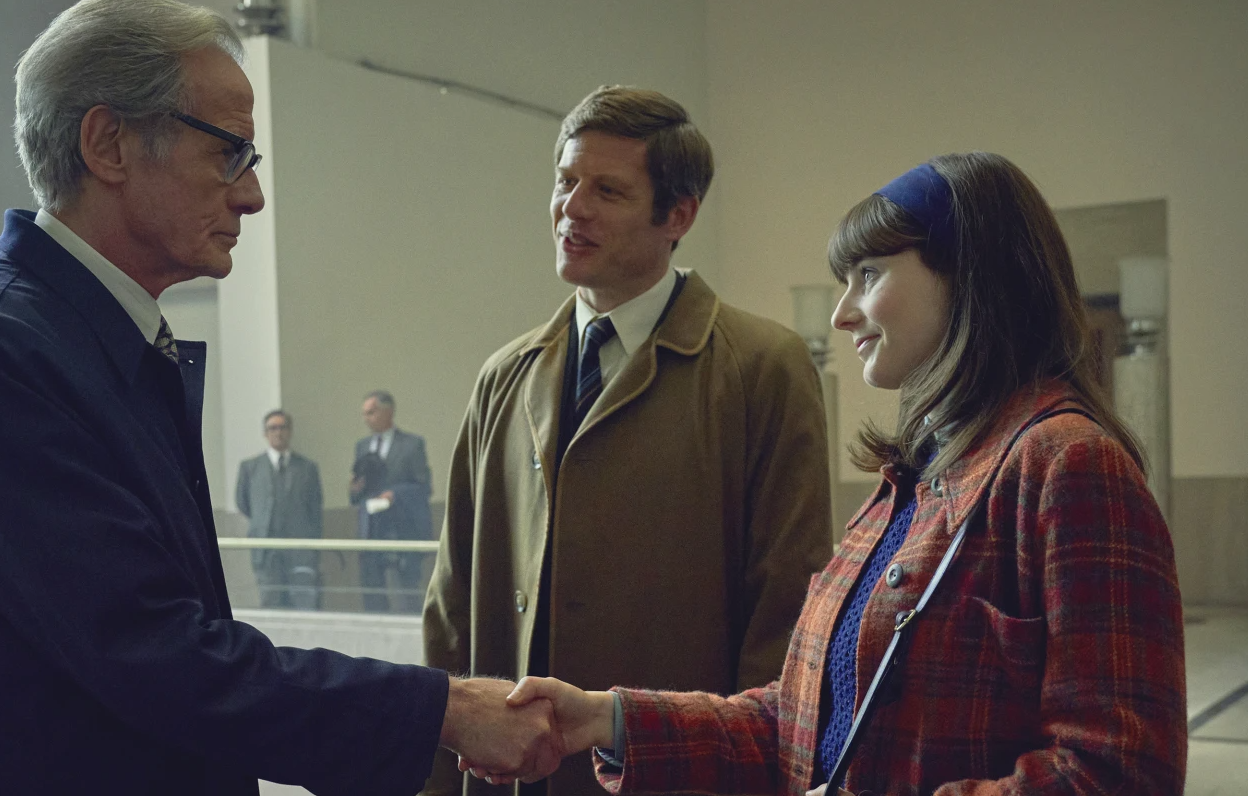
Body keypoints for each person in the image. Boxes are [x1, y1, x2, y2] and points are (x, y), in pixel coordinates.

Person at [0, 1, 562, 793]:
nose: (253, 196)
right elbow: (152, 655)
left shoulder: (74, 336)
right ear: (108, 144)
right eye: (230, 152)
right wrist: (442, 709)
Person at [481, 152, 1189, 795]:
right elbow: (799, 726)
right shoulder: (910, 479)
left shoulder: (1067, 464)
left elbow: (1123, 771)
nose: (845, 314)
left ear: (968, 274)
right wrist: (608, 719)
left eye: (869, 275)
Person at [423, 86, 834, 796]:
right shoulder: (505, 376)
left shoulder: (762, 367)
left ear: (678, 216)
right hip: (511, 777)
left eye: (607, 191)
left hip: (674, 775)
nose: (572, 208)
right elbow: (451, 604)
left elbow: (786, 612)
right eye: (565, 181)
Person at [350, 390, 434, 613]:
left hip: (402, 528)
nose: (366, 418)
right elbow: (357, 494)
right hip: (371, 530)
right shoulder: (362, 446)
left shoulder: (412, 445)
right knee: (372, 594)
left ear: (389, 412)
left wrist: (395, 494)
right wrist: (355, 489)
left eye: (372, 412)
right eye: (364, 413)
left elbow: (424, 486)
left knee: (407, 595)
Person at [235, 409, 325, 609]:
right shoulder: (250, 467)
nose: (278, 432)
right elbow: (243, 503)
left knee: (303, 601)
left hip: (300, 548)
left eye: (283, 427)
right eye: (273, 428)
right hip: (266, 548)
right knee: (270, 600)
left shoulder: (307, 468)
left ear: (290, 431)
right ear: (265, 433)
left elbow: (315, 507)